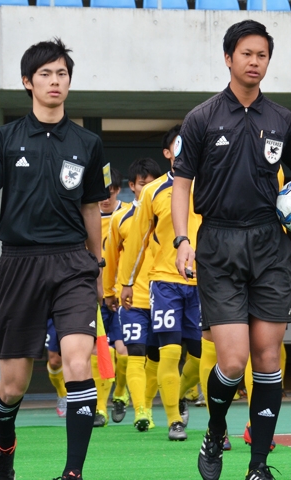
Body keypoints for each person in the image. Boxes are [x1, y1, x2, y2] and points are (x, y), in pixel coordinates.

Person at [172, 20, 291, 480]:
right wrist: (182, 239)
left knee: (267, 357)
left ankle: (258, 465)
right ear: (228, 58)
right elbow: (181, 185)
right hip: (218, 242)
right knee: (232, 361)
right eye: (246, 54)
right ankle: (213, 431)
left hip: (270, 243)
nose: (254, 62)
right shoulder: (202, 118)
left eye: (262, 55)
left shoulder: (283, 120)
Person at [0, 38, 110, 480]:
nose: (55, 82)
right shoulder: (5, 138)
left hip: (73, 262)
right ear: (27, 82)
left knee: (77, 361)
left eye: (62, 74)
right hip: (20, 263)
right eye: (46, 74)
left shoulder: (88, 143)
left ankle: (73, 472)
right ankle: (4, 445)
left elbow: (92, 209)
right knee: (11, 386)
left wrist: (99, 264)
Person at [120, 126, 202, 442]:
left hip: (203, 284)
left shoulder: (210, 184)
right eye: (177, 145)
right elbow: (138, 242)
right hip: (164, 283)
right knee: (169, 354)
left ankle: (177, 393)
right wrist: (125, 283)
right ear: (167, 153)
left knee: (199, 356)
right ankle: (173, 421)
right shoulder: (153, 191)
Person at [103, 157, 162, 432]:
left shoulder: (171, 214)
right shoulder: (121, 219)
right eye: (142, 184)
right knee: (134, 353)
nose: (147, 189)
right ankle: (141, 412)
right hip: (133, 300)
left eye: (152, 183)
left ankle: (174, 398)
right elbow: (111, 260)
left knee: (160, 358)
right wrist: (108, 292)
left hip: (166, 295)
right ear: (132, 186)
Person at [93, 168, 126, 428]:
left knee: (124, 353)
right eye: (102, 192)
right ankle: (99, 409)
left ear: (118, 189)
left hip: (123, 295)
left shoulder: (128, 214)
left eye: (111, 191)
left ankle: (120, 394)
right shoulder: (87, 216)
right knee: (100, 352)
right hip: (96, 295)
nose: (106, 197)